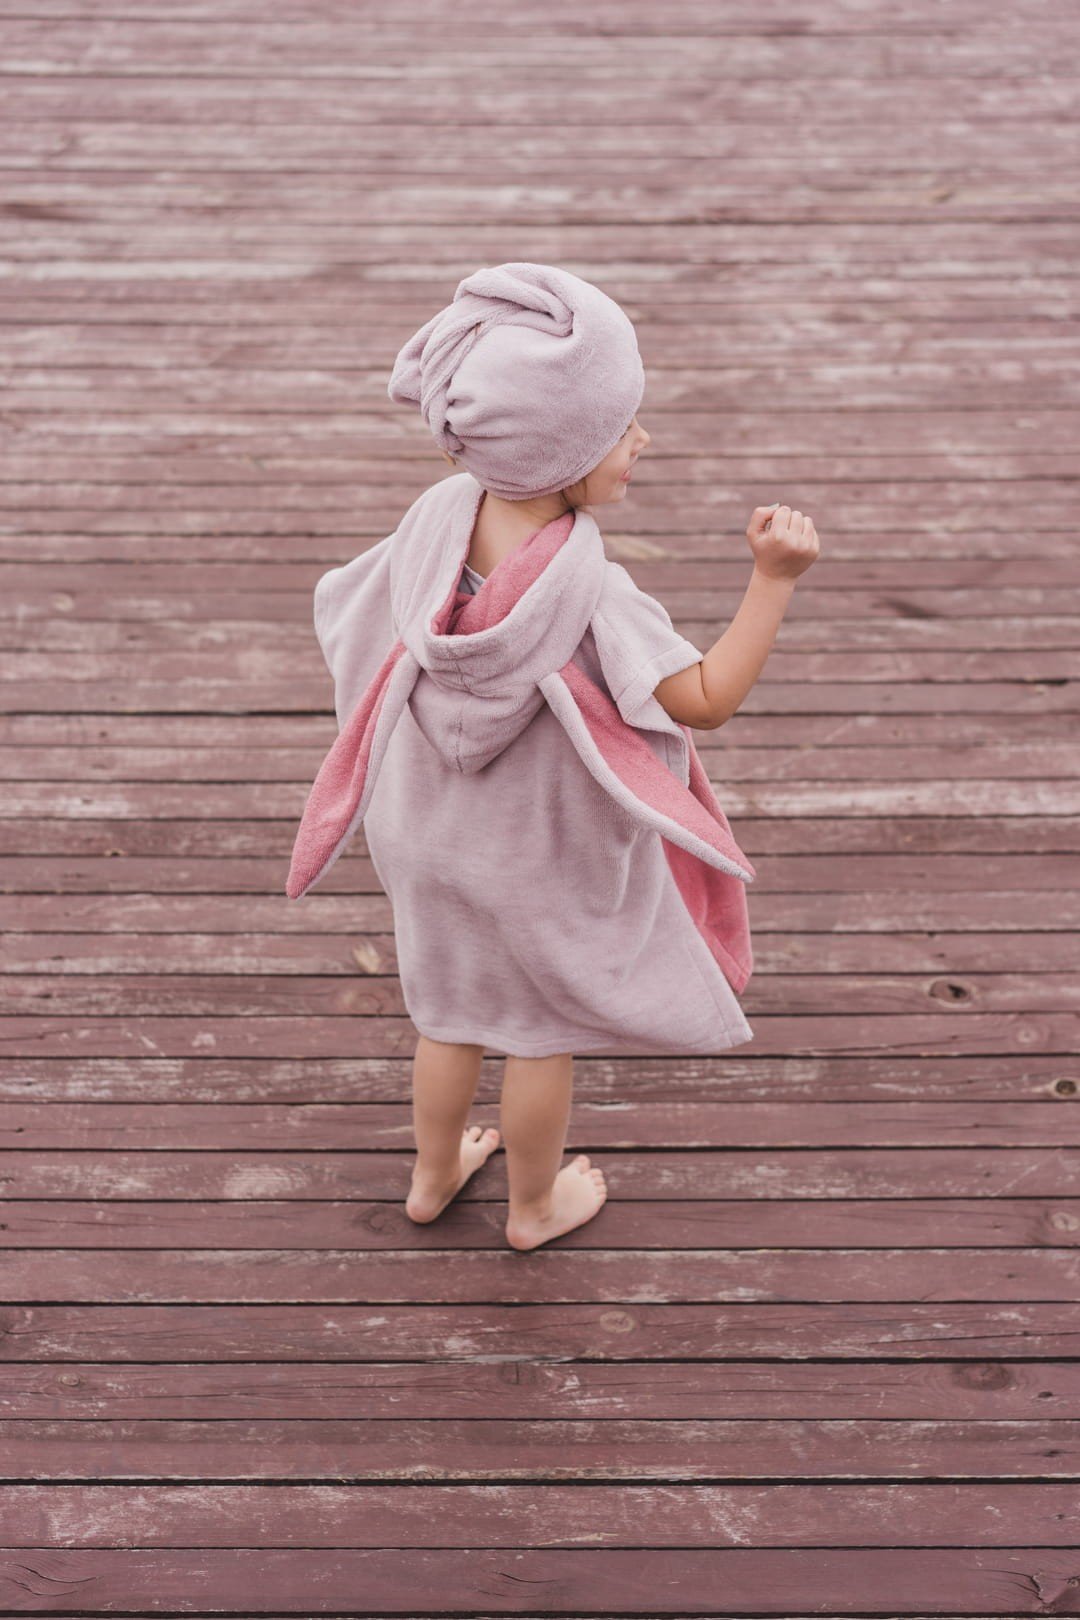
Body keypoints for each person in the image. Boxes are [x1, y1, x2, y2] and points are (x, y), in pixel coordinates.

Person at [286, 262, 819, 1252]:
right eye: (622, 429)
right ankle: (534, 1208)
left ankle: (433, 1175)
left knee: (446, 1015)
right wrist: (772, 582)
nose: (641, 440)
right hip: (530, 858)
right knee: (536, 1037)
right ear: (563, 452)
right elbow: (705, 699)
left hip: (425, 834)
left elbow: (347, 611)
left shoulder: (435, 519)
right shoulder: (591, 592)